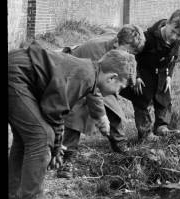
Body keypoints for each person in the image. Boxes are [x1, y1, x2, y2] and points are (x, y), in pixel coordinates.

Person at [8, 43, 136, 199]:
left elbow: (89, 97)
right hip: (15, 76)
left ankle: (13, 194)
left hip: (16, 70)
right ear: (112, 77)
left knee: (26, 138)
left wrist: (57, 145)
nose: (118, 92)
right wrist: (56, 147)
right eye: (120, 87)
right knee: (41, 137)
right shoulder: (83, 76)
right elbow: (54, 112)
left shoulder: (89, 72)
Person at [57, 25, 145, 179]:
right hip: (74, 78)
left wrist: (135, 76)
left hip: (97, 81)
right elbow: (93, 91)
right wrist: (101, 117)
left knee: (112, 106)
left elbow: (125, 61)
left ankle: (119, 143)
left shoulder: (118, 44)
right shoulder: (96, 52)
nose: (128, 54)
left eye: (132, 53)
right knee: (78, 113)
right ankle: (67, 158)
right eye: (127, 51)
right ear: (117, 42)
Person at [121, 9, 180, 140]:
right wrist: (136, 76)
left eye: (178, 35)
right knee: (142, 100)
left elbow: (173, 58)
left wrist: (169, 76)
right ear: (168, 23)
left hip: (161, 72)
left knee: (164, 98)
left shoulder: (177, 40)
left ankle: (161, 127)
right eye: (173, 31)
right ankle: (146, 133)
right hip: (142, 71)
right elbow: (131, 56)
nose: (173, 37)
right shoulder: (147, 37)